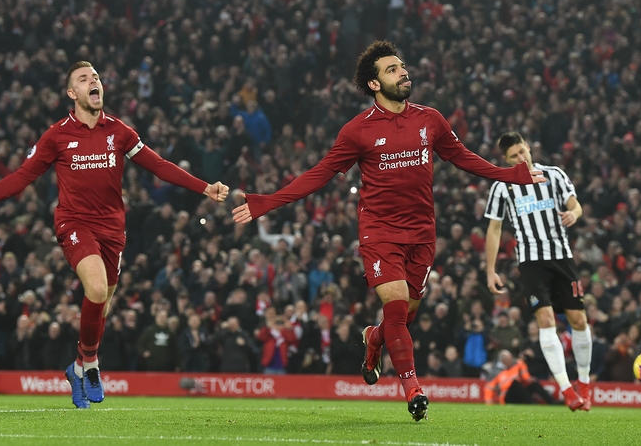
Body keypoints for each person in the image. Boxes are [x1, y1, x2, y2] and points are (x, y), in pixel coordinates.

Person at [232, 41, 545, 421]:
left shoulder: (430, 119)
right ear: (375, 84)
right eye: (393, 69)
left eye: (402, 66)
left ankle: (374, 339)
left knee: (403, 319)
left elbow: (463, 158)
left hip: (423, 234)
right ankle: (413, 389)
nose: (404, 72)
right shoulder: (357, 131)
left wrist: (512, 175)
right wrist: (267, 201)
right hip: (379, 232)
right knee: (396, 310)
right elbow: (320, 173)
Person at [0, 61, 229, 408]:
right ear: (72, 93)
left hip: (113, 227)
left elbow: (159, 165)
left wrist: (205, 188)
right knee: (95, 289)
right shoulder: (57, 135)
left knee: (103, 303)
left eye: (96, 76)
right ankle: (92, 366)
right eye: (84, 79)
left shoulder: (119, 131)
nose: (93, 81)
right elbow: (22, 177)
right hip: (75, 223)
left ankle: (77, 367)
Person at [484, 131, 592, 411]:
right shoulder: (502, 186)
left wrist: (574, 214)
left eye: (522, 152)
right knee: (546, 320)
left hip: (562, 256)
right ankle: (567, 391)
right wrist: (490, 270)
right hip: (531, 261)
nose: (521, 159)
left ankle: (584, 384)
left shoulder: (554, 175)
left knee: (579, 321)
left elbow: (574, 204)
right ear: (506, 160)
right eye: (514, 156)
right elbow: (494, 229)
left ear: (529, 148)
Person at [484, 350, 556, 405]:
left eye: (511, 359)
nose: (511, 361)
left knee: (534, 384)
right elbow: (489, 387)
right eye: (508, 360)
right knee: (515, 383)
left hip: (519, 392)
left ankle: (552, 402)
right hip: (507, 396)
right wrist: (488, 401)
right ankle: (532, 404)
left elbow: (525, 374)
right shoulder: (497, 372)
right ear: (503, 361)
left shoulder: (517, 365)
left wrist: (528, 379)